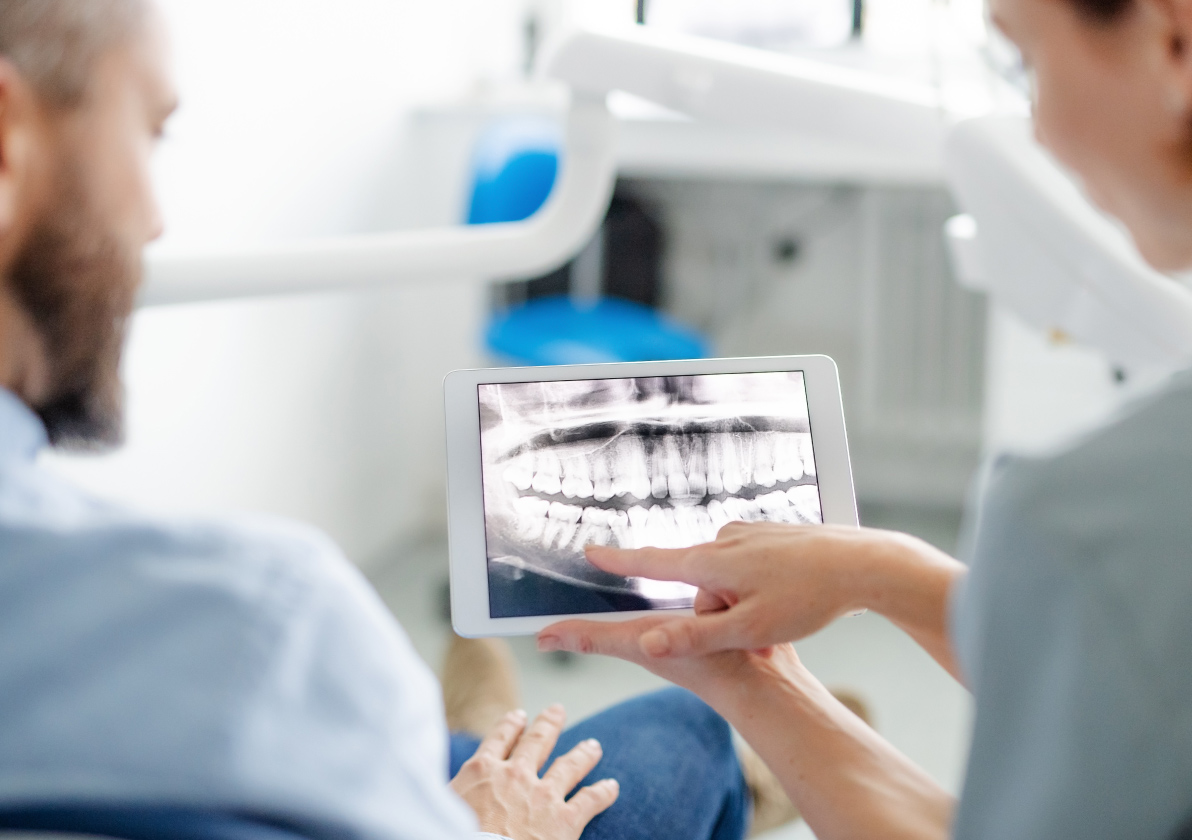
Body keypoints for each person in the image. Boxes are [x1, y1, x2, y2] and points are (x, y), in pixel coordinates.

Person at [0, 3, 781, 840]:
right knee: (692, 734)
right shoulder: (266, 619)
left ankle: (484, 721)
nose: (154, 221)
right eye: (150, 133)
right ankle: (762, 771)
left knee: (488, 746)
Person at [537, 0, 1192, 836]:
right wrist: (867, 581)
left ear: (1171, 39)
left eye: (1028, 62)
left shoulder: (1087, 525)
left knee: (666, 741)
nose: (1042, 130)